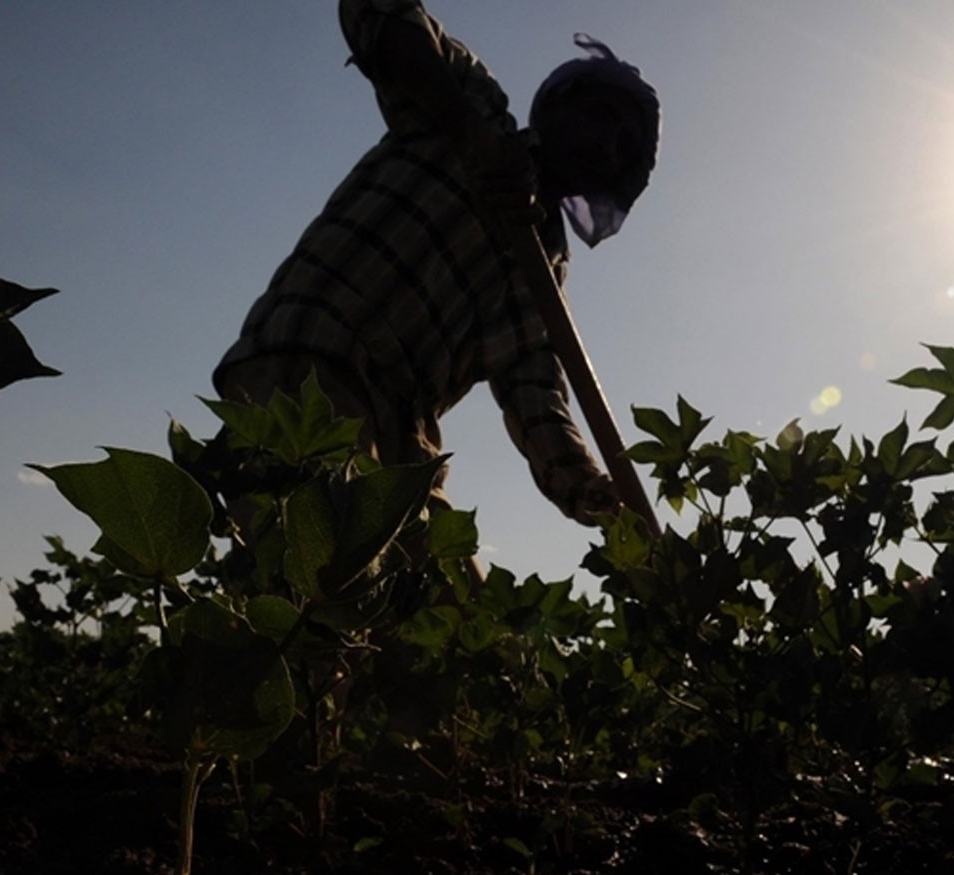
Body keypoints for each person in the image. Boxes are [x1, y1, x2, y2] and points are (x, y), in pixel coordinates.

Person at [213, 0, 661, 548]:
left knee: (455, 619)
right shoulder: (473, 107)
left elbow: (535, 392)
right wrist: (469, 134)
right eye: (601, 117)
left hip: (401, 437)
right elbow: (378, 10)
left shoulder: (542, 270)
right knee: (331, 580)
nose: (608, 144)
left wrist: (588, 486)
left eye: (624, 145)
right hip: (310, 363)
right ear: (559, 108)